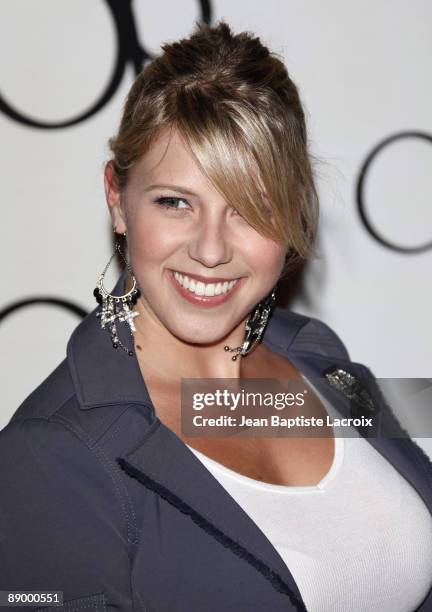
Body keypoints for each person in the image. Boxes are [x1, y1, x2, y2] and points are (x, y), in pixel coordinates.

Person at [0, 20, 431, 612]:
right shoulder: (52, 455)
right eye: (175, 202)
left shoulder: (316, 352)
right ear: (116, 199)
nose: (210, 249)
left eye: (251, 209)